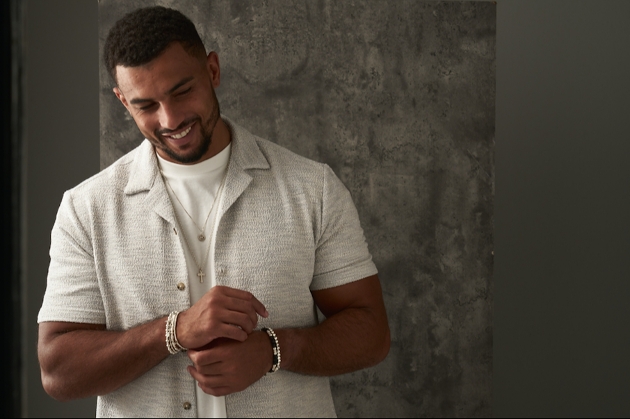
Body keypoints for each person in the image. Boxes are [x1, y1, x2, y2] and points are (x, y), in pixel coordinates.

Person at [37, 6, 389, 418]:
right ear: (122, 101)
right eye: (145, 105)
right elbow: (59, 371)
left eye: (182, 91)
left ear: (213, 70)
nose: (170, 119)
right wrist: (175, 331)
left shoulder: (313, 189)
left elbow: (371, 333)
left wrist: (273, 350)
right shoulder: (87, 209)